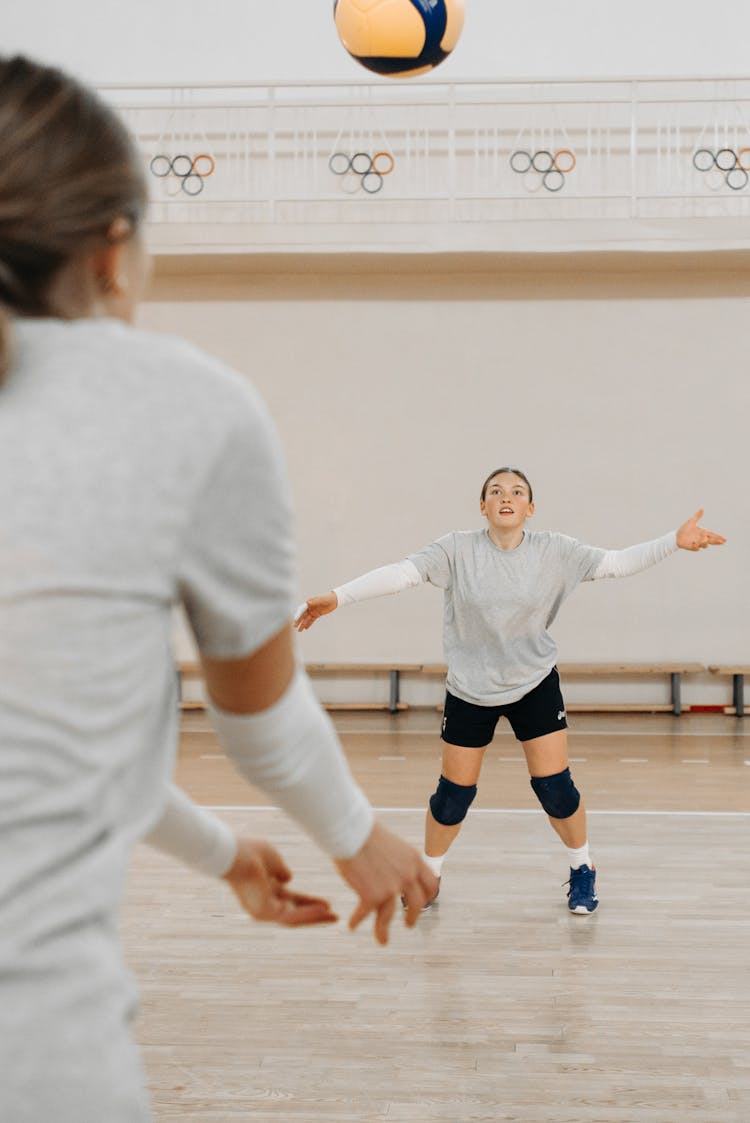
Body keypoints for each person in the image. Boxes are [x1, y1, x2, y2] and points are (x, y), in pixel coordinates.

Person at [0, 55, 437, 1123]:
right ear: (113, 251)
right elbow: (260, 723)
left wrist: (227, 852)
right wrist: (356, 836)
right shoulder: (185, 408)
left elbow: (50, 742)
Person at [295, 466, 726, 915]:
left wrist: (672, 542)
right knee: (452, 797)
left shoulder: (555, 551)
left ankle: (583, 869)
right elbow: (401, 574)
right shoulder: (456, 549)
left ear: (530, 508)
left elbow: (616, 563)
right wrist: (337, 597)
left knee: (555, 788)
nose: (506, 496)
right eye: (496, 491)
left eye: (517, 492)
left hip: (533, 683)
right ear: (483, 506)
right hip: (470, 689)